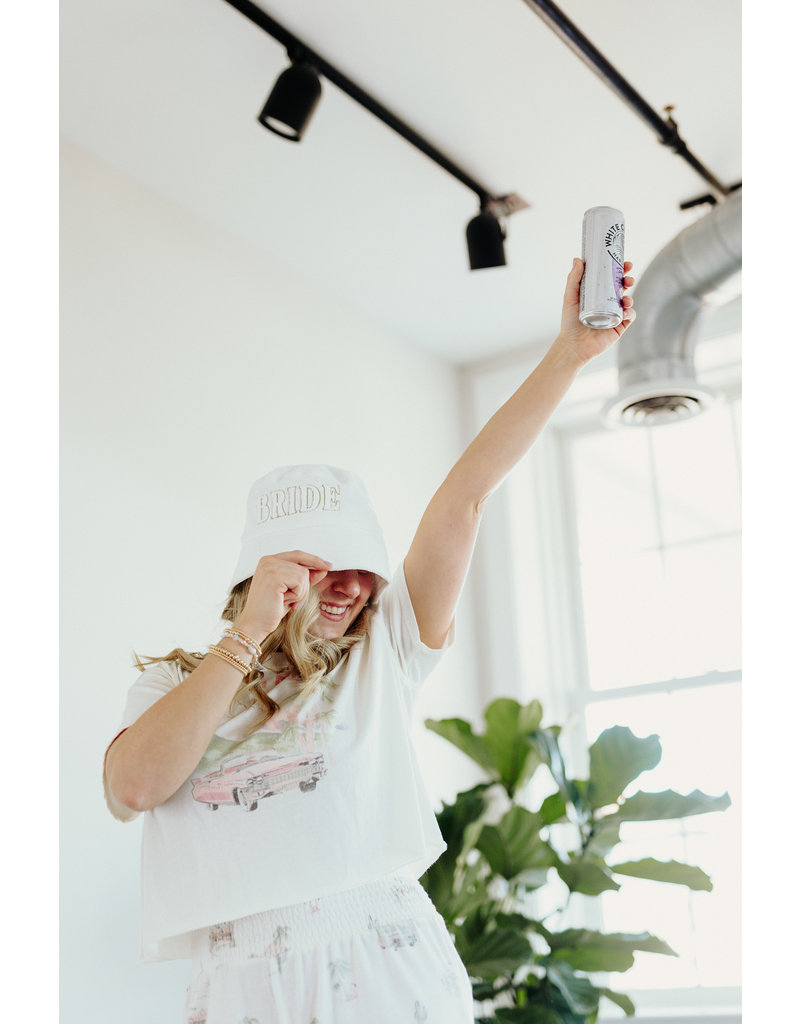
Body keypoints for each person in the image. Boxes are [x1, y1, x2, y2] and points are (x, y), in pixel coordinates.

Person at [103, 257, 635, 1023]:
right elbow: (134, 788)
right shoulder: (172, 690)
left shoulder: (383, 655)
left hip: (384, 955)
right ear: (268, 572)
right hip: (244, 980)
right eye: (326, 567)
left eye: (365, 568)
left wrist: (568, 354)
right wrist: (252, 632)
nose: (355, 585)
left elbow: (464, 500)